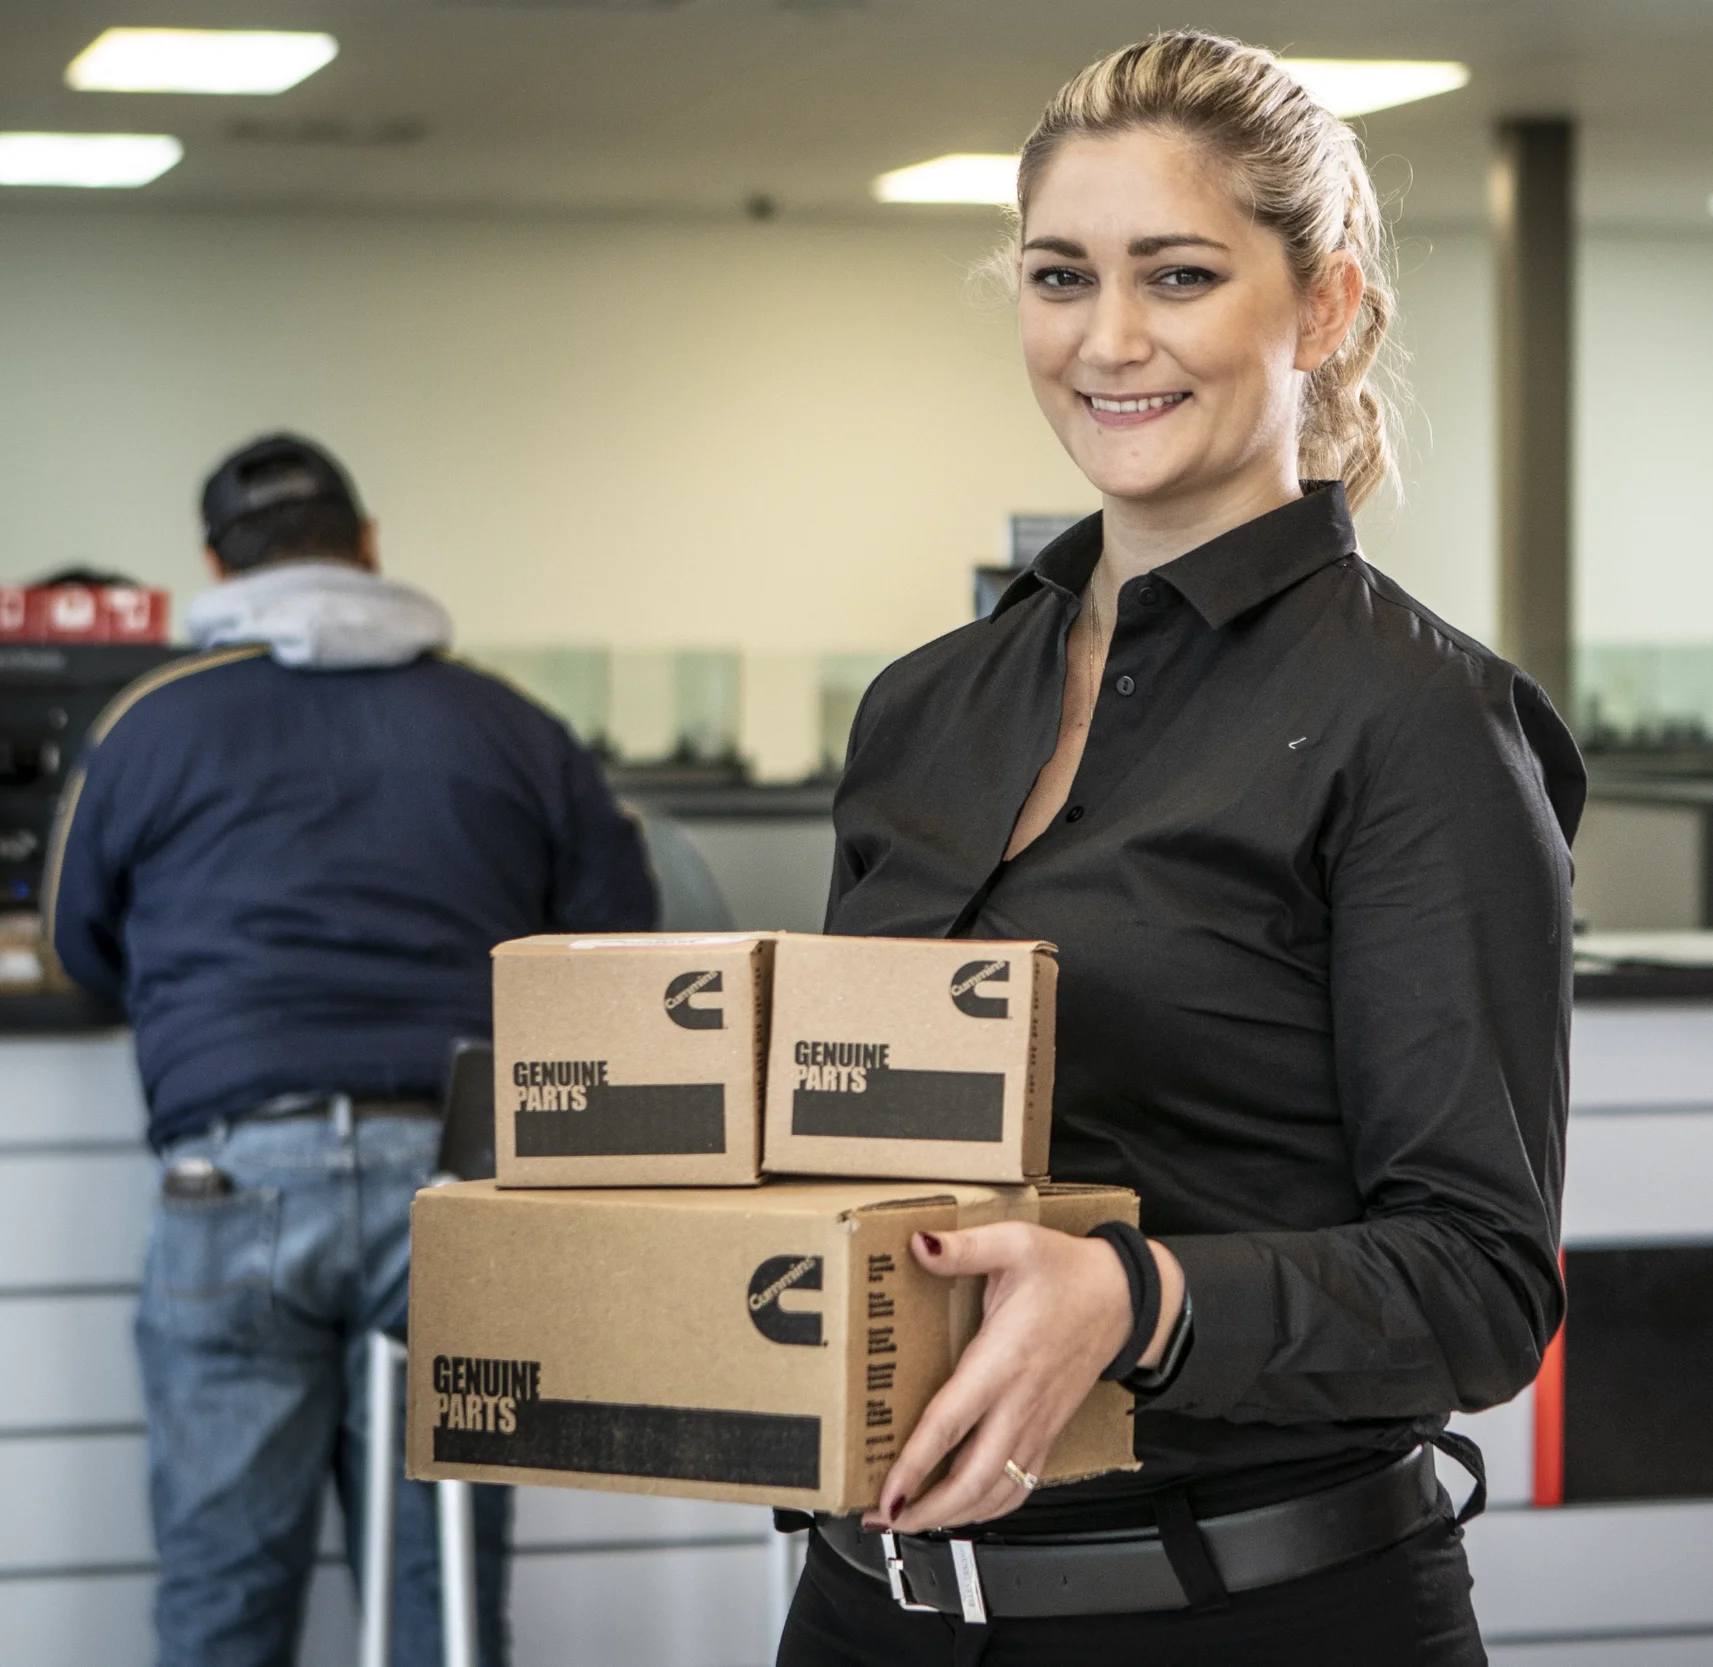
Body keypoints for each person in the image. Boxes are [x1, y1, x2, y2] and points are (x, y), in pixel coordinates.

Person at [781, 31, 1583, 1667]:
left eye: (1180, 274)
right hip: (882, 1616)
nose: (1110, 338)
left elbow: (1481, 1281)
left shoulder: (1416, 720)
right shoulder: (923, 708)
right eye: (1061, 276)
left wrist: (1131, 1299)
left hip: (1250, 1617)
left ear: (1326, 305)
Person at [44, 433, 659, 1667]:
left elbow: (78, 941)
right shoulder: (512, 723)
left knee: (224, 1595)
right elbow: (619, 950)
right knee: (441, 1602)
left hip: (234, 1177)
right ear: (369, 544)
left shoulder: (148, 723)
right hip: (459, 1184)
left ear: (215, 564)